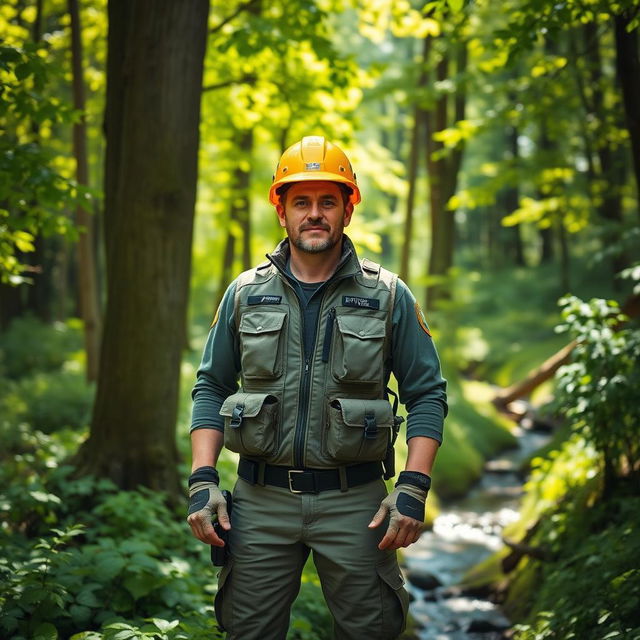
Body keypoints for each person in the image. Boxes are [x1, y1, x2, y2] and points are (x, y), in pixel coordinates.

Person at [187, 135, 447, 640]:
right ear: (280, 210)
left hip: (359, 506)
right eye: (300, 201)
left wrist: (413, 488)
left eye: (328, 201)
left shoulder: (388, 294)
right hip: (260, 502)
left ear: (348, 210)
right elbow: (211, 387)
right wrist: (202, 480)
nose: (314, 214)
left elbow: (427, 394)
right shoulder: (244, 293)